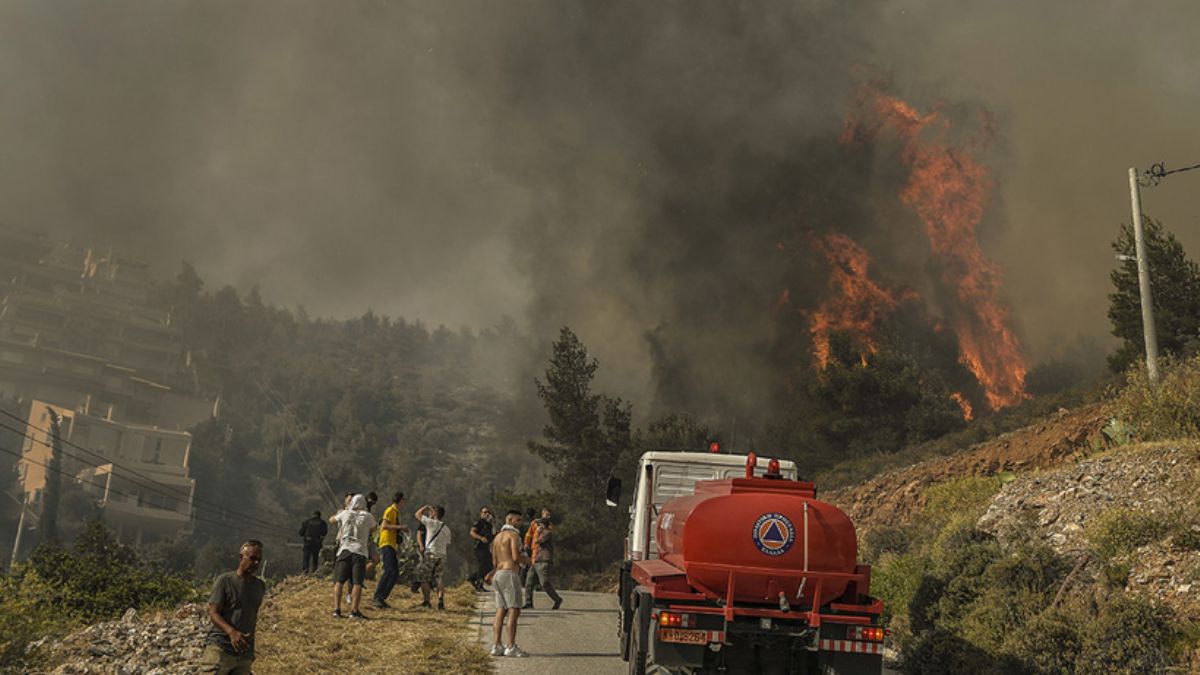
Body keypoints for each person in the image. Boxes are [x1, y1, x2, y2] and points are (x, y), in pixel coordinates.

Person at [202, 540, 267, 674]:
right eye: (252, 558)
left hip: (244, 654)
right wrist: (232, 632)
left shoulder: (259, 586)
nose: (256, 563)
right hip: (221, 649)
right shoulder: (225, 581)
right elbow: (213, 612)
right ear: (241, 557)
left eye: (258, 560)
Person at [488, 510, 531, 658]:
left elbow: (494, 561)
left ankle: (496, 645)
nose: (520, 523)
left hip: (498, 574)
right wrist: (528, 561)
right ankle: (511, 645)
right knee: (514, 610)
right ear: (510, 520)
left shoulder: (497, 538)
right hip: (510, 574)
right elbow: (515, 557)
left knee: (500, 610)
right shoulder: (513, 535)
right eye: (518, 520)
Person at [330, 494, 377, 619]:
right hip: (360, 551)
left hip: (344, 549)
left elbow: (332, 520)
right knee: (357, 582)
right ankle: (354, 611)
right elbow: (374, 528)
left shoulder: (345, 513)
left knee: (339, 581)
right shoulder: (368, 516)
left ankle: (337, 609)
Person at [372, 491, 407, 609]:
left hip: (391, 544)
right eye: (403, 500)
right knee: (389, 570)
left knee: (394, 572)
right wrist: (400, 527)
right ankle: (378, 596)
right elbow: (384, 526)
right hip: (386, 543)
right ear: (400, 500)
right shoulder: (390, 511)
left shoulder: (395, 512)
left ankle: (381, 597)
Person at [523, 509, 563, 610]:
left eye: (549, 515)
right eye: (546, 514)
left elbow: (538, 540)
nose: (538, 526)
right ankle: (528, 603)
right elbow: (529, 535)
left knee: (544, 583)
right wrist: (526, 544)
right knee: (529, 582)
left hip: (543, 559)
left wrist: (539, 531)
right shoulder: (535, 525)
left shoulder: (548, 530)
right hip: (534, 558)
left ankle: (557, 599)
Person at [415, 504, 451, 610]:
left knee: (424, 578)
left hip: (431, 554)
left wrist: (426, 507)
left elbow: (417, 514)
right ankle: (440, 600)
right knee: (438, 578)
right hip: (442, 555)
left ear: (434, 514)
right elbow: (447, 544)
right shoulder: (447, 528)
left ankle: (427, 601)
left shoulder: (431, 523)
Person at [468, 506, 495, 592]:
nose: (486, 514)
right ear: (481, 514)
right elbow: (472, 532)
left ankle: (472, 578)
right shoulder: (479, 523)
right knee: (482, 565)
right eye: (484, 512)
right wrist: (480, 538)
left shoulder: (489, 524)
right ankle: (479, 584)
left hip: (487, 548)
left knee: (489, 566)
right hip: (479, 547)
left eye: (488, 512)